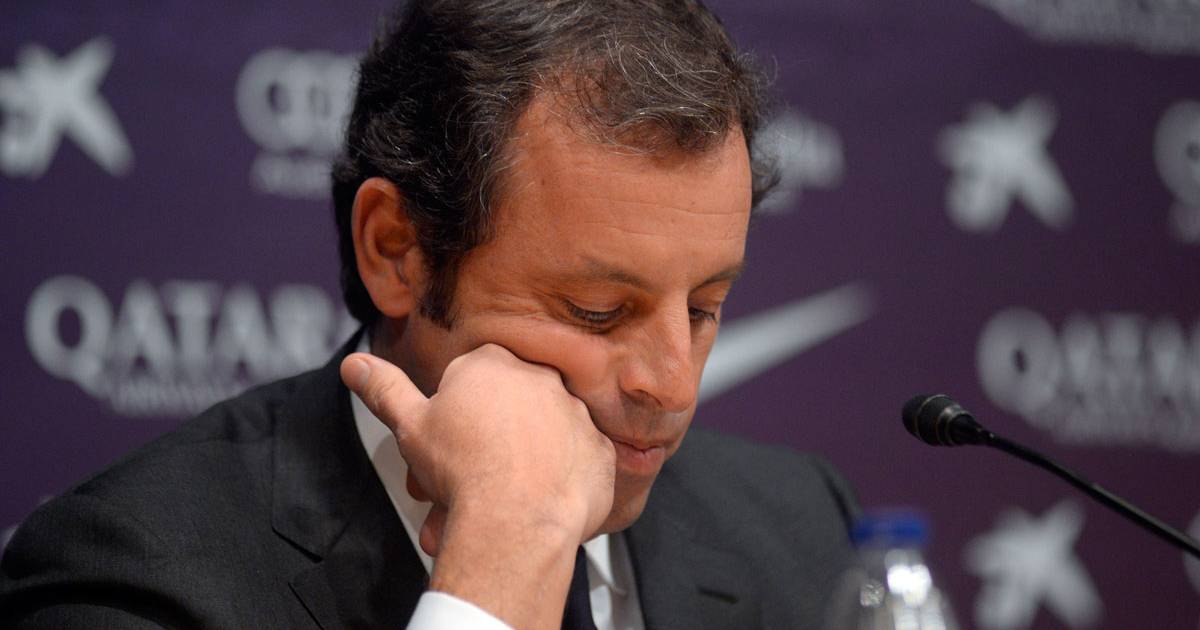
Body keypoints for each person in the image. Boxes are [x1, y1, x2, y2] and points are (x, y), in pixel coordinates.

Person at [0, 1, 858, 628]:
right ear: (397, 250)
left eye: (706, 307)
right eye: (597, 311)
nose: (673, 386)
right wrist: (505, 559)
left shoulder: (801, 525)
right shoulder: (132, 576)